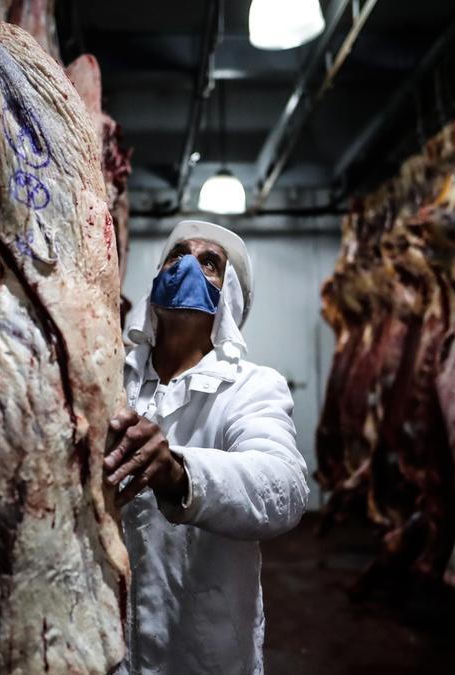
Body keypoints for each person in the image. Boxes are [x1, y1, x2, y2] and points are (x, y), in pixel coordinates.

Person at [105, 220, 310, 674]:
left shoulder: (252, 387)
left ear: (228, 297)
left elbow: (284, 487)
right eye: (177, 255)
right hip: (107, 648)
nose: (187, 266)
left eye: (209, 263)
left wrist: (181, 473)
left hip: (204, 652)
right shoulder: (106, 378)